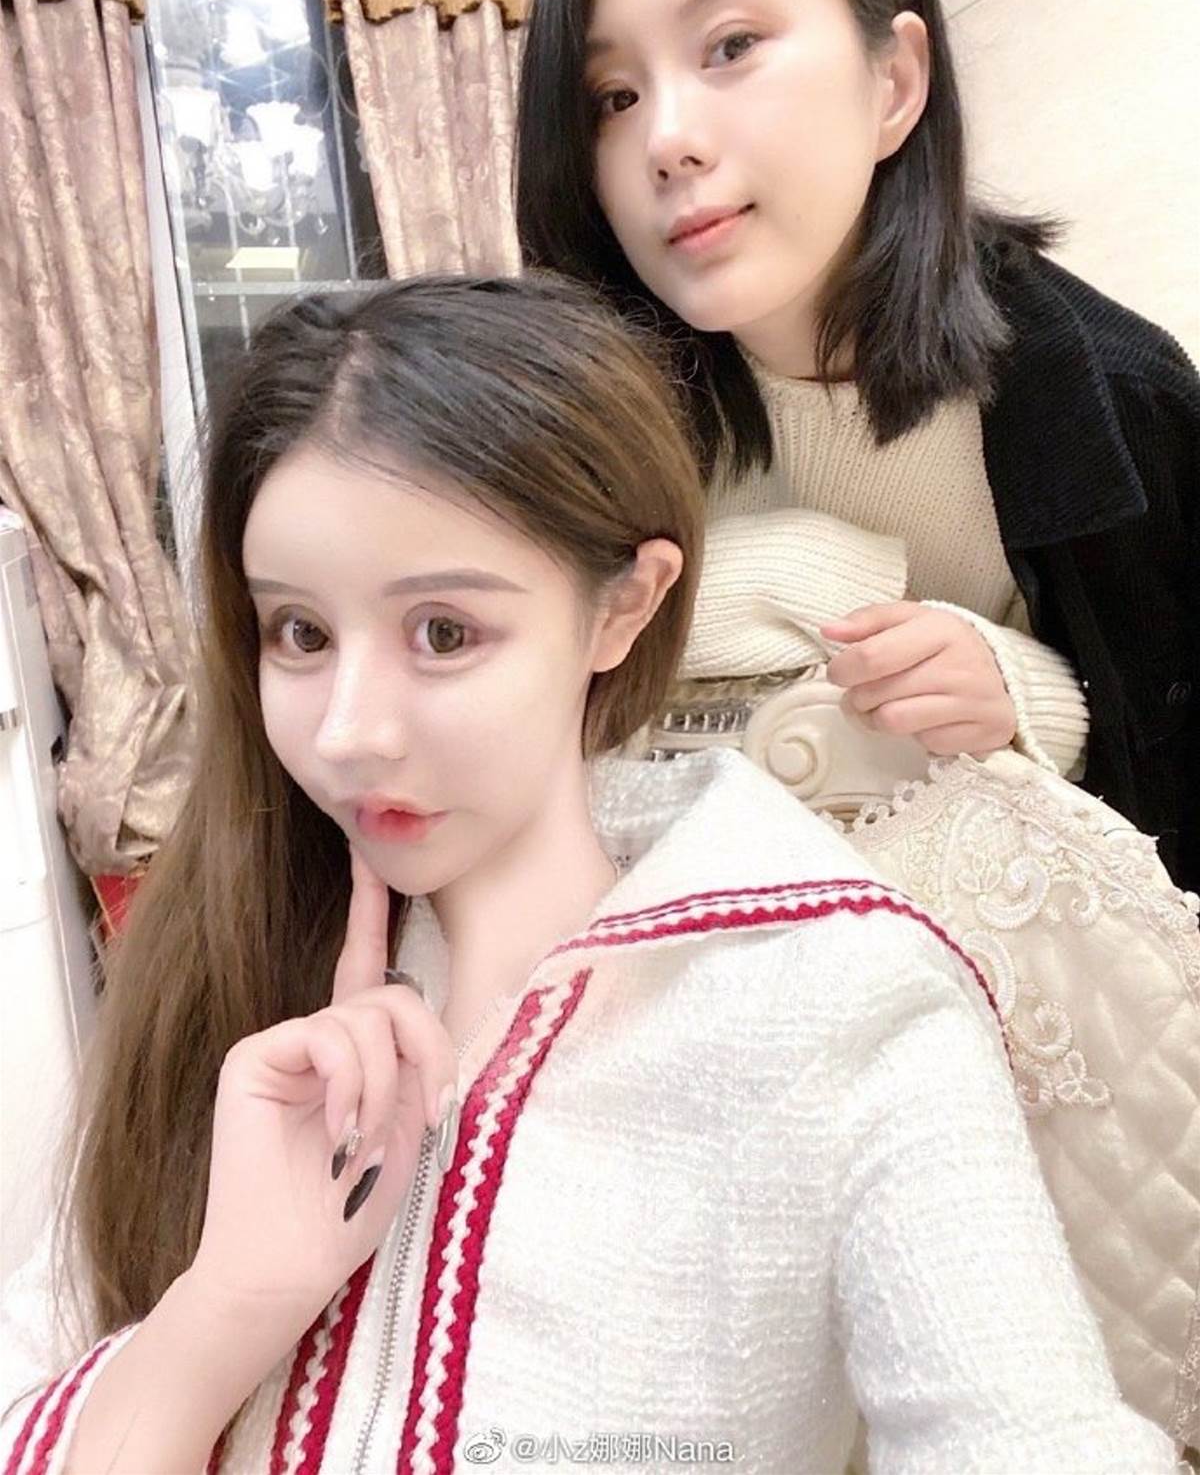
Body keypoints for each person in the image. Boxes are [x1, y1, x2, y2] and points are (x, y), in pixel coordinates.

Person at [0, 274, 1177, 1474]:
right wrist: (227, 1306)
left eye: (444, 633)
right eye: (300, 633)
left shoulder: (841, 998)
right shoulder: (220, 966)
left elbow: (1029, 1433)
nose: (348, 733)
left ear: (624, 607)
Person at [514, 0, 1200, 892]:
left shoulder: (1117, 402)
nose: (667, 139)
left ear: (894, 81)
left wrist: (1034, 699)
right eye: (612, 96)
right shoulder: (588, 424)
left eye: (732, 44)